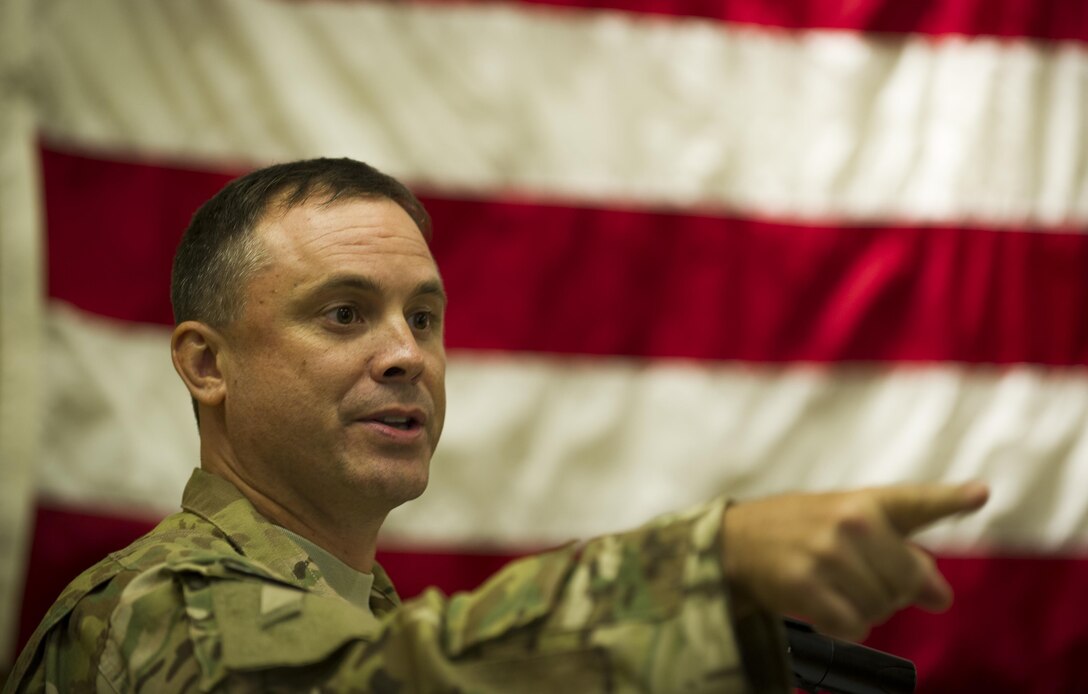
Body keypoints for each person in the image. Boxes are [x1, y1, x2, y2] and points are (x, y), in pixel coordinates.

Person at [5, 158, 988, 692]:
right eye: (344, 313)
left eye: (422, 317)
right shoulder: (157, 608)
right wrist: (702, 568)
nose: (405, 355)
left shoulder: (358, 609)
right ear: (206, 364)